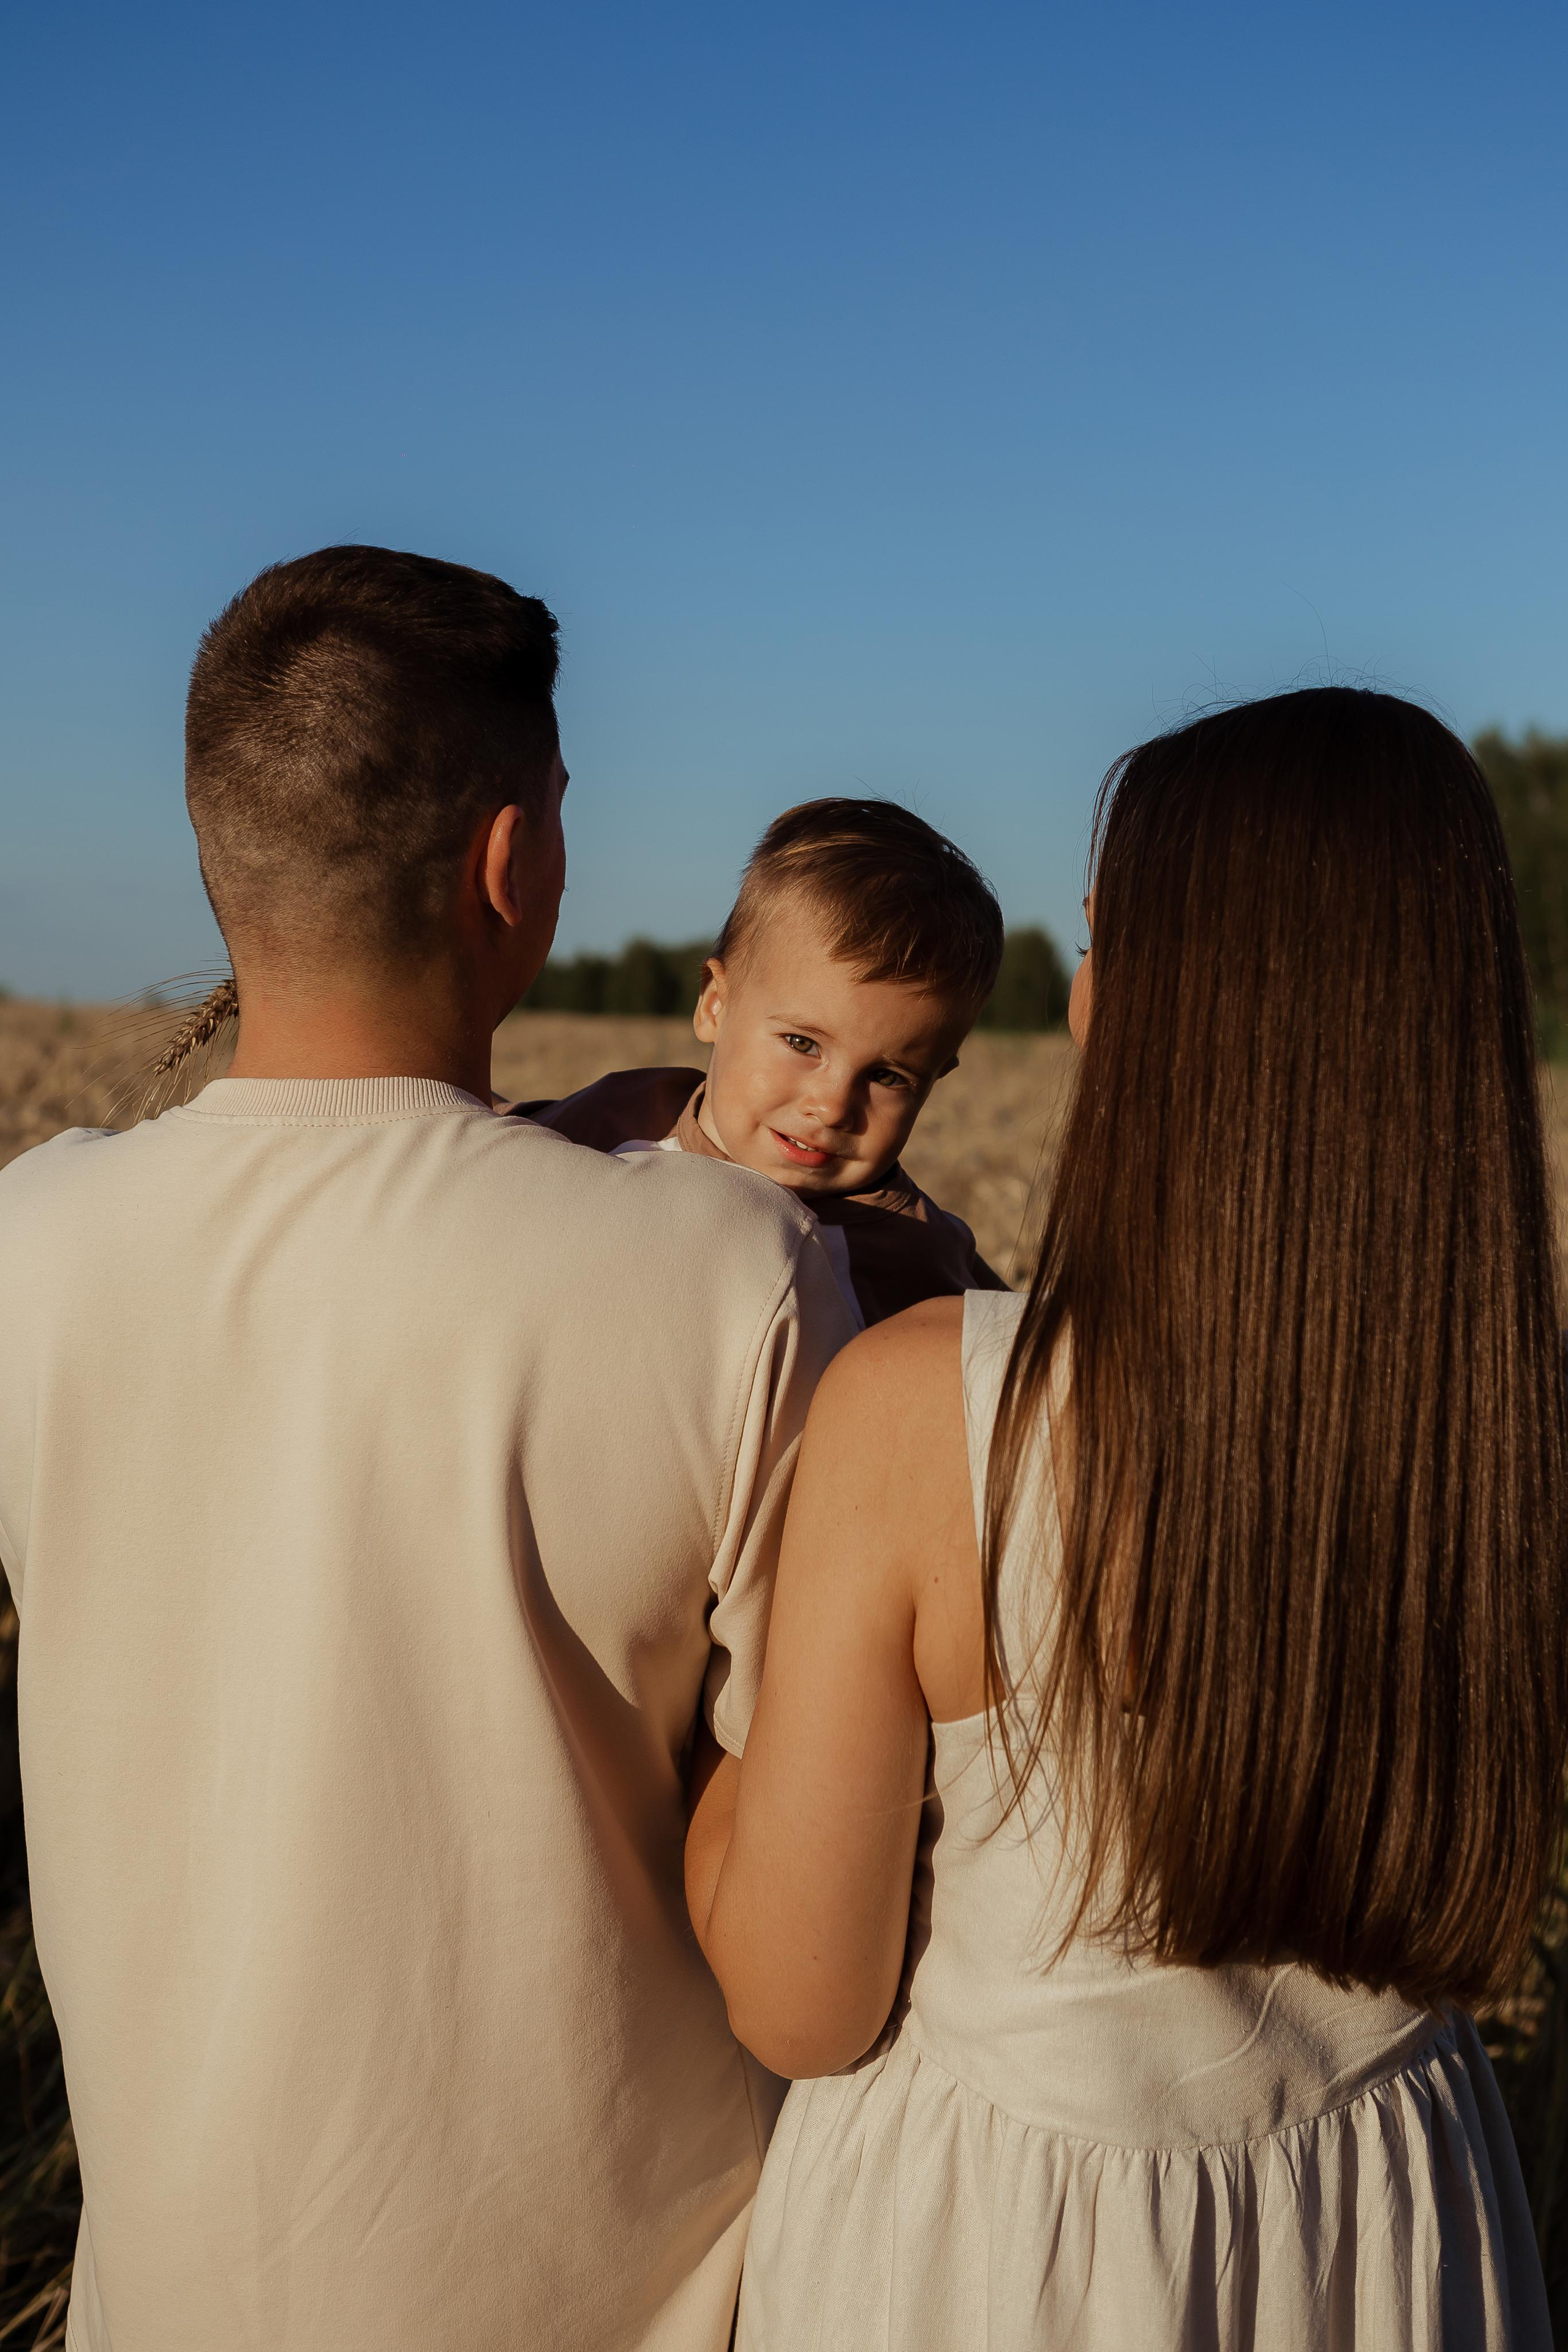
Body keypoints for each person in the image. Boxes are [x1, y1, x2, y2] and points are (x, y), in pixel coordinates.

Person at [0, 546, 854, 2352]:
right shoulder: (734, 1274)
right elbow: (831, 1890)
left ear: (221, 857)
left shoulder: (31, 1243)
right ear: (512, 861)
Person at [688, 687, 1566, 2348]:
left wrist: (721, 1752)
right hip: (1388, 2228)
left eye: (1103, 942)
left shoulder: (923, 1406)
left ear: (1165, 1002)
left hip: (996, 2251)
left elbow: (800, 2004)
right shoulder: (1506, 1426)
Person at [510, 799, 1012, 1325]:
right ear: (714, 1005)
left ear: (934, 1081)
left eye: (887, 1077)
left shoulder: (918, 1260)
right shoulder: (616, 1118)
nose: (833, 1106)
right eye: (802, 1044)